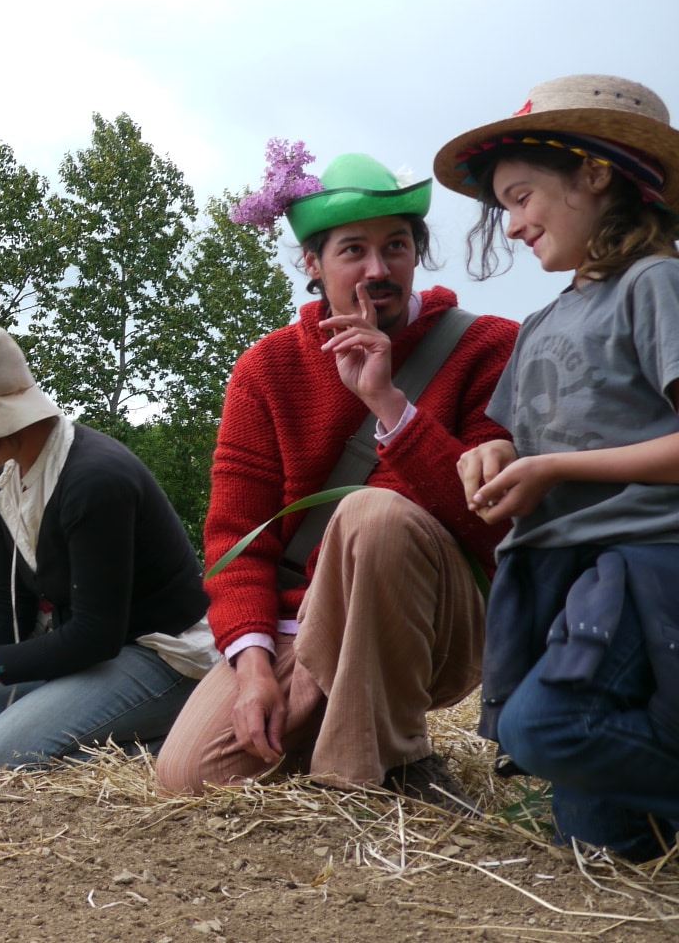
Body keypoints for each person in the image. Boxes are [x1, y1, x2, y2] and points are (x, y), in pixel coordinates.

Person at [157, 149, 519, 809]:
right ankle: (344, 732)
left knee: (372, 514)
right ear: (312, 264)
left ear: (417, 254)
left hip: (442, 621)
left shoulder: (488, 348)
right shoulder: (266, 370)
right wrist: (254, 670)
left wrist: (391, 407)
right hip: (303, 622)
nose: (378, 270)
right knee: (190, 777)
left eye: (397, 247)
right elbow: (236, 540)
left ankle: (380, 772)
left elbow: (491, 526)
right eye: (354, 250)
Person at [440, 74, 679, 858]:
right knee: (602, 841)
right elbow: (527, 441)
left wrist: (556, 473)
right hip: (559, 570)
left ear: (596, 174)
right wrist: (499, 455)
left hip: (643, 564)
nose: (511, 226)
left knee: (544, 725)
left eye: (521, 198)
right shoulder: (541, 321)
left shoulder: (655, 283)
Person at [0, 324, 216, 768]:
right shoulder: (4, 477)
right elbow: (11, 605)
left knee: (3, 754)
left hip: (164, 656)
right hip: (100, 651)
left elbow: (96, 634)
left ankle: (192, 739)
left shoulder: (95, 480)